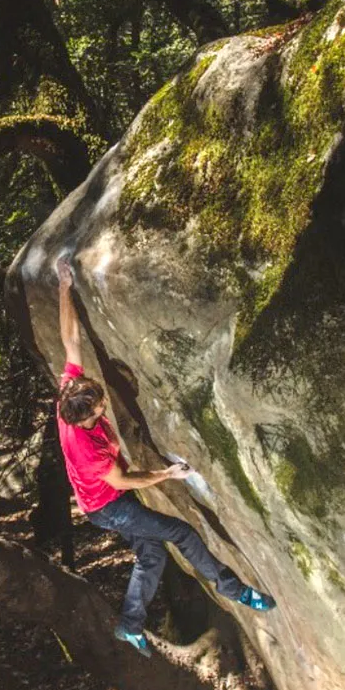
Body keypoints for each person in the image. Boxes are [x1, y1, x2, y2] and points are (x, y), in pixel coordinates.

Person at [54, 255, 273, 653]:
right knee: (181, 533)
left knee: (151, 556)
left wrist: (64, 285)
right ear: (85, 417)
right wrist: (167, 474)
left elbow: (70, 339)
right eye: (100, 407)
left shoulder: (70, 395)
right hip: (107, 506)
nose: (104, 404)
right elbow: (124, 481)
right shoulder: (87, 450)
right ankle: (235, 590)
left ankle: (130, 625)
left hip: (101, 499)